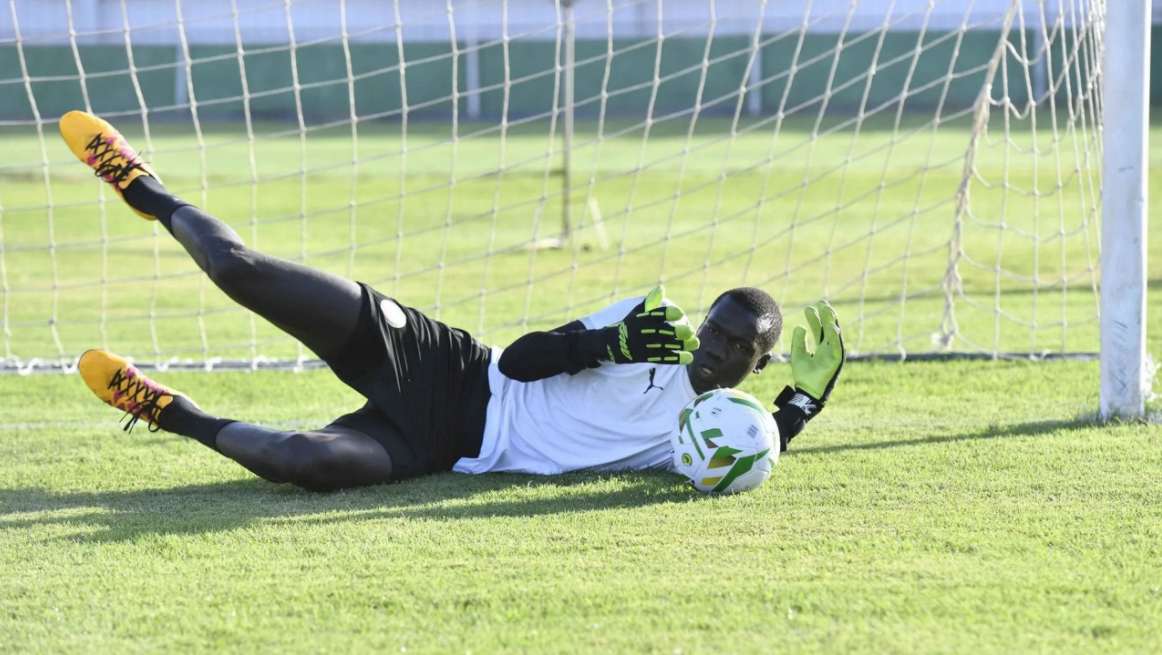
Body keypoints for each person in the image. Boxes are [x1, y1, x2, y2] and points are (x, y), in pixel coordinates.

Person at [60, 111, 846, 492]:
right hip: (449, 367)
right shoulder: (649, 326)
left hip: (448, 447)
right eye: (713, 328)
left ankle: (165, 409)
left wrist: (804, 401)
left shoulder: (709, 431)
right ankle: (145, 188)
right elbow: (523, 360)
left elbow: (755, 447)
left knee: (304, 461)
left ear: (757, 364)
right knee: (242, 271)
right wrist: (609, 342)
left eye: (734, 345)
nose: (712, 346)